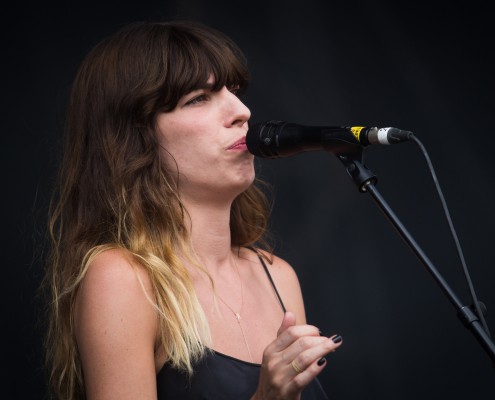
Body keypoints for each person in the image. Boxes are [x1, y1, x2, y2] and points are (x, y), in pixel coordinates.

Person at [43, 20, 343, 400]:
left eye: (233, 91)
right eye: (199, 98)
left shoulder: (278, 276)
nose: (242, 111)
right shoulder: (123, 278)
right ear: (136, 139)